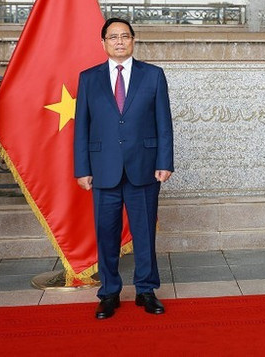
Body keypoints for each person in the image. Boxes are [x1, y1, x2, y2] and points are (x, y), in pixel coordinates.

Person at [74, 17, 174, 320]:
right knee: (107, 234)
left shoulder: (153, 75)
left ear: (133, 40)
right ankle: (109, 293)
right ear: (103, 43)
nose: (119, 41)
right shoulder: (89, 78)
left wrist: (164, 162)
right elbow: (82, 127)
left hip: (144, 168)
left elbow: (163, 123)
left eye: (125, 36)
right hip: (103, 169)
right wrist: (82, 168)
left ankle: (146, 289)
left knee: (144, 232)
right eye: (113, 37)